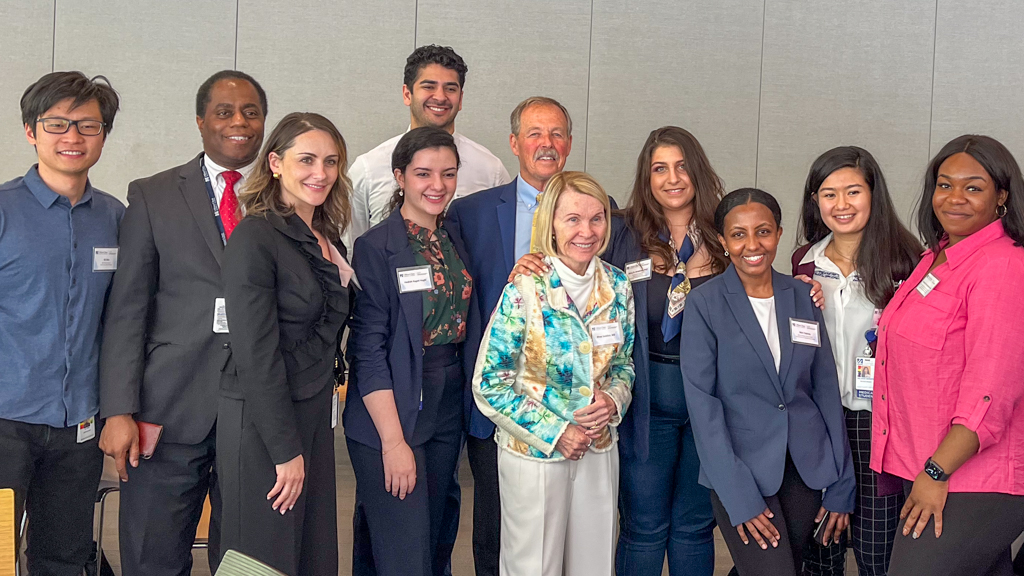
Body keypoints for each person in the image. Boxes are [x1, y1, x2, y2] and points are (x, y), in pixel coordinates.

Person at [97, 70, 267, 575]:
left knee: (246, 563)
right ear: (200, 122)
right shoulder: (153, 195)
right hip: (165, 412)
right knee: (154, 556)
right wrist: (119, 409)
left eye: (252, 112)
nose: (239, 123)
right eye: (225, 112)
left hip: (257, 417)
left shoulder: (285, 195)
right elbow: (128, 309)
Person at [680, 188, 855, 576]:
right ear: (723, 242)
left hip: (804, 470)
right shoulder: (705, 303)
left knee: (775, 568)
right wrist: (739, 496)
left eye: (763, 231)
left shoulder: (804, 295)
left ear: (778, 233)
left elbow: (825, 389)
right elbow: (703, 405)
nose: (752, 244)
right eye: (738, 234)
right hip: (739, 469)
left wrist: (843, 482)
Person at [871, 135, 1024, 575]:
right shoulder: (935, 257)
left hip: (974, 477)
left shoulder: (1003, 265)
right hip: (932, 466)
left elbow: (991, 391)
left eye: (973, 187)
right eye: (944, 184)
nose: (954, 198)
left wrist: (936, 473)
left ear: (1002, 197)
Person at [473, 170, 635, 576]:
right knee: (533, 567)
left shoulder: (618, 286)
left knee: (594, 564)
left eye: (597, 218)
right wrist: (556, 433)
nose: (587, 230)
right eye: (573, 219)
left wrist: (614, 399)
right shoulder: (525, 287)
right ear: (551, 224)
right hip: (535, 455)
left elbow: (624, 365)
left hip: (599, 447)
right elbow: (489, 384)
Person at [445, 95, 578, 576]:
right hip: (501, 393)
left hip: (572, 398)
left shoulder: (595, 210)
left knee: (567, 523)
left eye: (557, 134)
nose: (547, 144)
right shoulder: (471, 213)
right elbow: (458, 299)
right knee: (497, 522)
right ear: (515, 144)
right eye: (536, 134)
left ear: (569, 144)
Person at [0, 71, 121, 576]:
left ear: (103, 134)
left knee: (65, 558)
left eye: (87, 125)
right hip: (6, 422)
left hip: (80, 428)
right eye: (57, 124)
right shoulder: (4, 210)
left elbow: (123, 322)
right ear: (31, 131)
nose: (72, 137)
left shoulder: (117, 216)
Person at [344, 127, 471, 576]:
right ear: (400, 176)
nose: (437, 185)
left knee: (436, 541)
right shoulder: (376, 247)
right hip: (392, 402)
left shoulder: (456, 235)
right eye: (423, 174)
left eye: (448, 174)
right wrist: (393, 442)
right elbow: (368, 351)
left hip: (447, 398)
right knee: (404, 550)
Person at [792, 146, 921, 575]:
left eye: (853, 192)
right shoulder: (803, 263)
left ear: (873, 194)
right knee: (819, 544)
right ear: (815, 200)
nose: (841, 205)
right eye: (829, 194)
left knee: (875, 547)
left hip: (878, 423)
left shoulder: (909, 262)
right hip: (817, 418)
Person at [345, 44, 510, 251]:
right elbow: (351, 250)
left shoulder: (490, 169)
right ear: (407, 94)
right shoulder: (368, 169)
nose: (440, 97)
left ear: (460, 99)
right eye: (429, 86)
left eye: (450, 88)